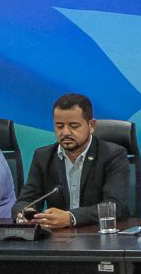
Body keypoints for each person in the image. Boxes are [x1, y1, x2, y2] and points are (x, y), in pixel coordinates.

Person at [11, 93, 130, 228]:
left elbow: (116, 206)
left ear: (91, 125)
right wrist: (27, 214)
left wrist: (71, 217)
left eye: (74, 126)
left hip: (98, 236)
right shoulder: (43, 156)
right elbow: (25, 201)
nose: (66, 132)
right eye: (59, 126)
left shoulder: (112, 155)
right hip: (57, 239)